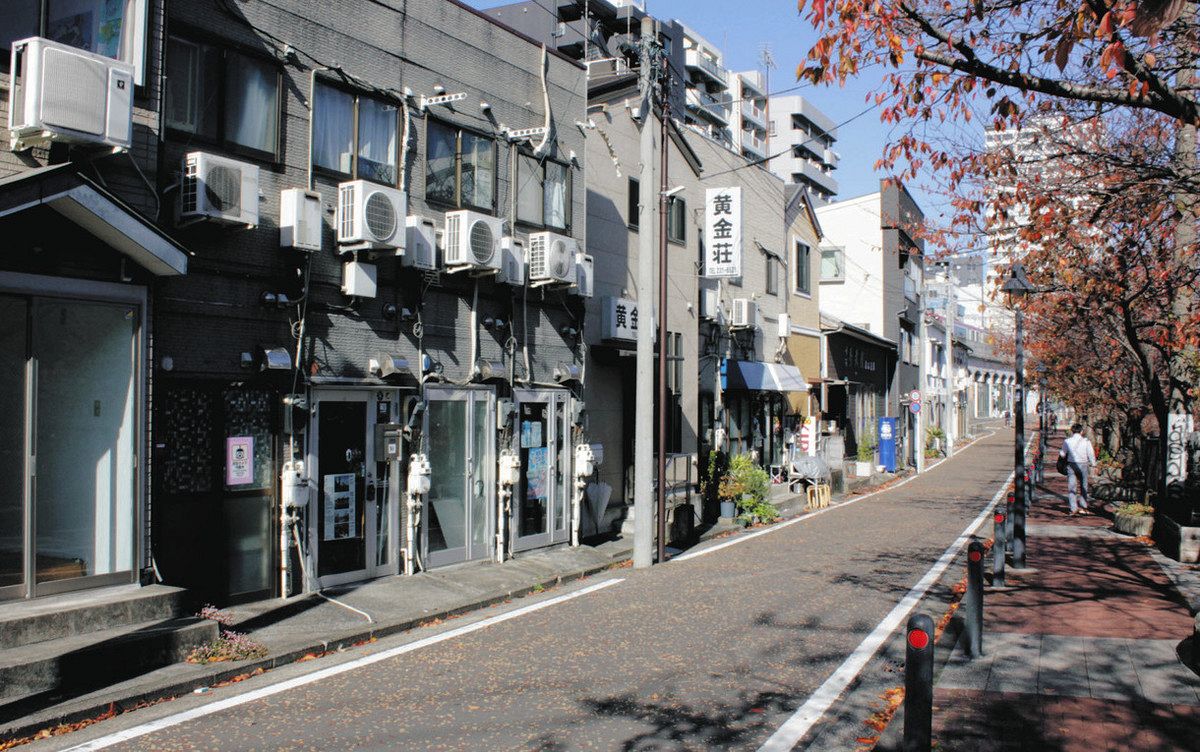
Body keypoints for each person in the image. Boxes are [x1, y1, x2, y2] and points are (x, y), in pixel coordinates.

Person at [1060, 423, 1096, 515]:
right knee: (1083, 485)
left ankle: (1073, 508)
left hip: (1071, 465)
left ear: (1072, 431)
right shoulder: (1086, 441)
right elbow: (1091, 453)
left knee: (1072, 486)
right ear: (1081, 431)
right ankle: (1083, 506)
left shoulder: (1067, 441)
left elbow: (1062, 454)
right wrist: (1093, 464)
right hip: (1083, 464)